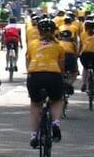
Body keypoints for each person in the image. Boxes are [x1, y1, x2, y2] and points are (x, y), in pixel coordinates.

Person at [26, 18, 66, 146]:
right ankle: (55, 123)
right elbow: (62, 68)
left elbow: (28, 62)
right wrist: (63, 79)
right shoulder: (58, 46)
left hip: (35, 75)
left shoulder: (32, 44)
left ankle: (33, 135)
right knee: (57, 100)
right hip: (53, 75)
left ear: (39, 31)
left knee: (35, 104)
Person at [79, 18, 94, 98]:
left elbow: (81, 45)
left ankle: (84, 83)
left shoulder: (82, 35)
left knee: (85, 68)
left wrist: (78, 53)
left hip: (85, 55)